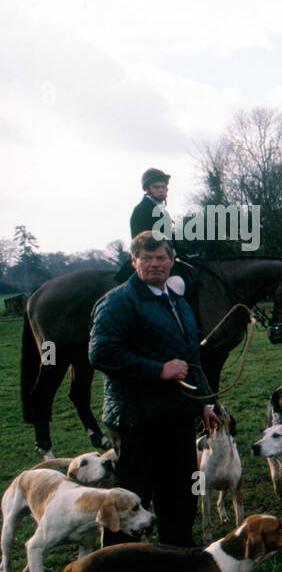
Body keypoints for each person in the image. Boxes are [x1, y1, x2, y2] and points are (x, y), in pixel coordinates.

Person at [89, 232, 217, 546]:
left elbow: (191, 357)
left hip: (177, 416)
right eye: (146, 258)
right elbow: (101, 353)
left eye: (161, 258)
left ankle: (177, 561)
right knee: (132, 501)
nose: (155, 264)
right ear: (134, 262)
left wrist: (202, 402)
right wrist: (158, 370)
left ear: (172, 261)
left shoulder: (177, 301)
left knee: (179, 495)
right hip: (136, 420)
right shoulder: (117, 301)